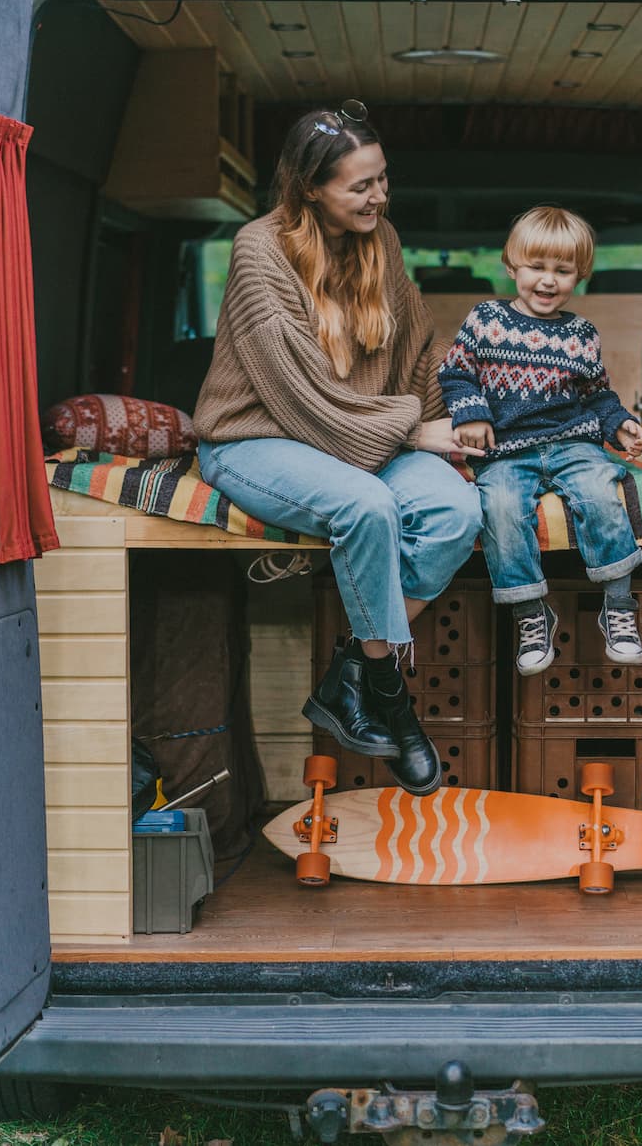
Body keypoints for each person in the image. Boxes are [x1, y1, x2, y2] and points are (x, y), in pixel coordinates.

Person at [193, 100, 484, 796]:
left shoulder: (379, 239)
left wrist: (462, 418)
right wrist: (415, 429)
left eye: (383, 179)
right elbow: (301, 399)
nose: (379, 196)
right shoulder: (259, 250)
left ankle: (352, 668)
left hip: (362, 431)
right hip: (256, 435)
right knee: (369, 505)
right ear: (308, 188)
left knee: (455, 512)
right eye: (361, 185)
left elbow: (416, 344)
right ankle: (389, 697)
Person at [437, 205, 642, 677]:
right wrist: (471, 414)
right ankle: (531, 613)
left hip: (572, 443)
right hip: (508, 449)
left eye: (563, 270)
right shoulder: (486, 320)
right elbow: (454, 374)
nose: (548, 281)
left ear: (581, 275)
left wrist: (619, 424)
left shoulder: (581, 335)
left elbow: (597, 395)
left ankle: (618, 605)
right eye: (536, 267)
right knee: (501, 507)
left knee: (600, 493)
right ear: (511, 266)